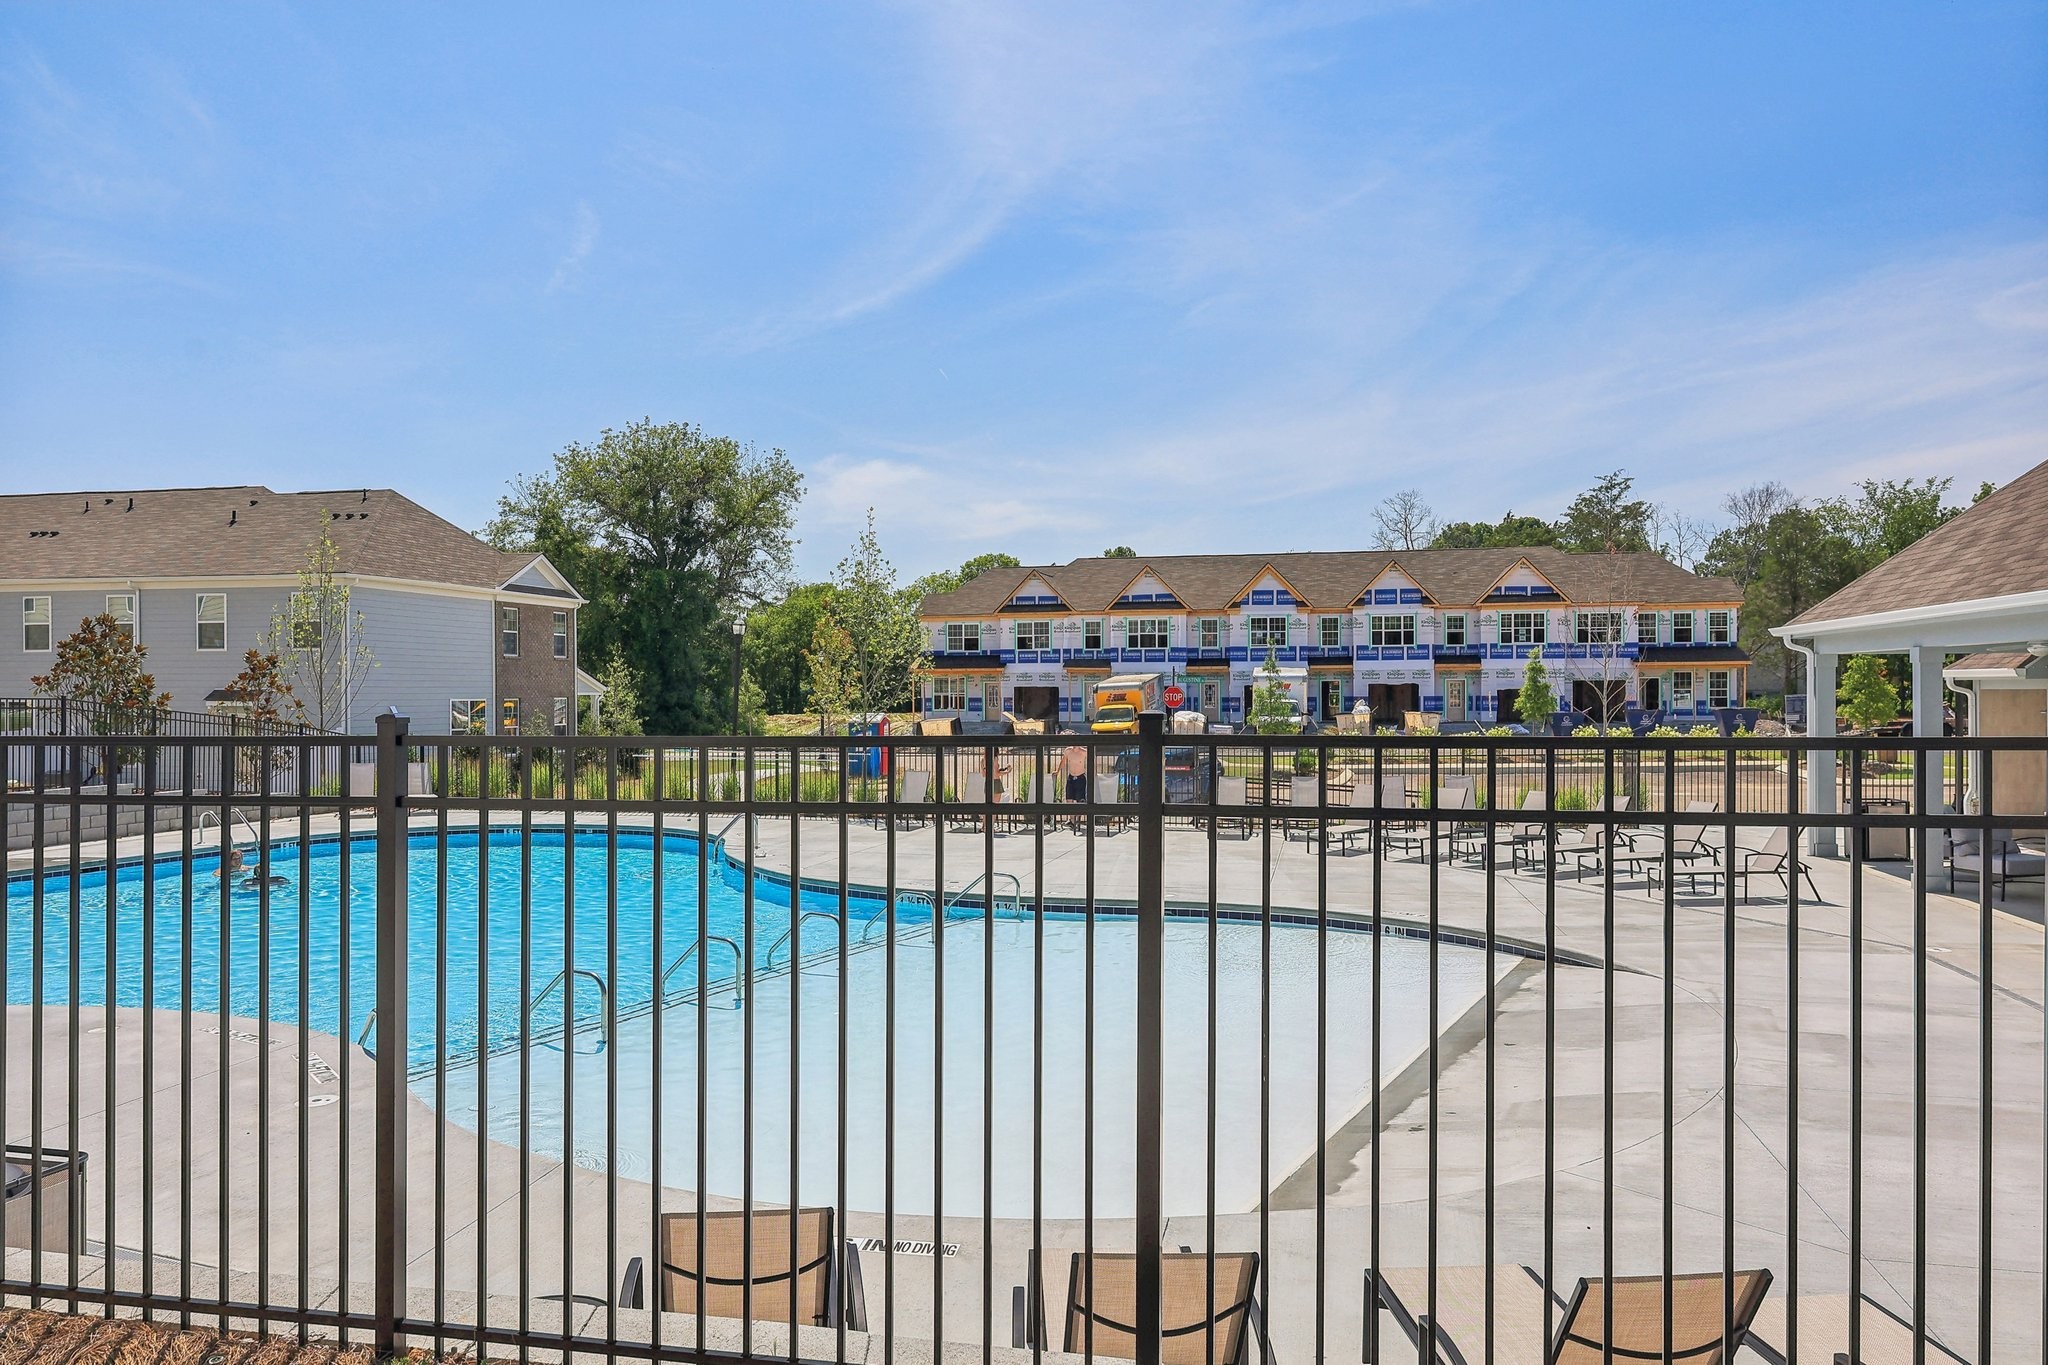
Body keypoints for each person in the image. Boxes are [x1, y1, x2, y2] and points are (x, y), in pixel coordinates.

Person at [1063, 743, 1089, 831]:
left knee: (1079, 800)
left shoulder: (1084, 752)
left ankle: (1078, 820)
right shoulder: (1068, 751)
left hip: (1080, 777)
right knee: (1069, 799)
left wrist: (1094, 773)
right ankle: (1072, 820)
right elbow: (1063, 761)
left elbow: (1091, 761)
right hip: (1071, 776)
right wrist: (1057, 770)